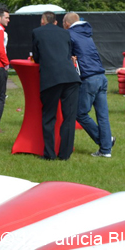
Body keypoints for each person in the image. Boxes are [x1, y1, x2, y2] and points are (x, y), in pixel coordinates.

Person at [31, 11, 81, 161]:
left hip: (51, 78)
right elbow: (68, 54)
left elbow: (37, 57)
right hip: (71, 78)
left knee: (48, 117)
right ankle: (65, 155)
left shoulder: (37, 32)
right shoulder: (65, 33)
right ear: (56, 21)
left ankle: (49, 154)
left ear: (43, 20)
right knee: (69, 118)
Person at [64, 12, 113, 158]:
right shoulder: (86, 33)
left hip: (88, 78)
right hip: (101, 76)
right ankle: (106, 150)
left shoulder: (70, 35)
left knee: (81, 113)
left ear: (67, 23)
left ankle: (105, 142)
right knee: (103, 115)